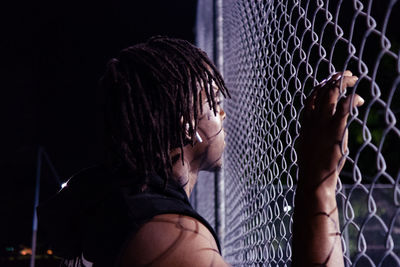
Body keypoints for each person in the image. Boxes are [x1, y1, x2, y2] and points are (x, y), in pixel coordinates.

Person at [38, 36, 364, 267]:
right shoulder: (165, 234)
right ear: (186, 125)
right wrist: (318, 180)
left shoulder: (121, 205)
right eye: (215, 103)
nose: (223, 114)